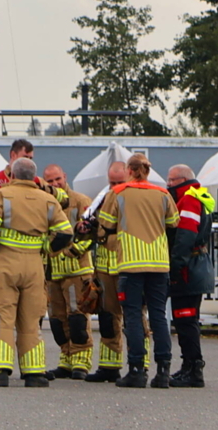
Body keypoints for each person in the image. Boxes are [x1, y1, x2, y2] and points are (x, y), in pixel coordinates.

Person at [0, 157, 73, 388]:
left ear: (10, 175)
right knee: (31, 320)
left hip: (5, 263)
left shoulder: (0, 196)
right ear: (34, 177)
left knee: (2, 317)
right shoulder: (48, 199)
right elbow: (65, 233)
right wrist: (47, 249)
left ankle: (0, 372)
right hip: (34, 266)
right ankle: (34, 373)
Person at [97, 154, 179, 388]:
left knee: (132, 315)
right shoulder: (163, 193)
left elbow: (105, 224)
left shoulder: (118, 192)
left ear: (129, 171)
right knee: (158, 316)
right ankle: (163, 372)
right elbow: (174, 222)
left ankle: (136, 370)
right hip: (159, 262)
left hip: (131, 262)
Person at [42, 164, 94, 380]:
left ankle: (81, 362)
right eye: (50, 182)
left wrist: (74, 251)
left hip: (76, 271)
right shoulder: (44, 203)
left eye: (57, 179)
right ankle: (66, 359)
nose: (55, 184)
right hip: (52, 273)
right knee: (57, 320)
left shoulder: (81, 201)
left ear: (65, 176)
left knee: (77, 318)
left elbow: (92, 231)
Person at [165, 164, 216, 388]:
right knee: (186, 319)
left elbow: (185, 237)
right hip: (196, 266)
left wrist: (175, 269)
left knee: (185, 320)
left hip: (189, 269)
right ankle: (189, 366)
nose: (167, 185)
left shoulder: (187, 200)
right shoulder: (197, 196)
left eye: (171, 180)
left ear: (183, 179)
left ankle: (193, 369)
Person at [82, 161, 128, 383]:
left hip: (128, 266)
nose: (116, 187)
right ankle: (110, 367)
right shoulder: (101, 201)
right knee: (108, 319)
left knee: (136, 320)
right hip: (105, 269)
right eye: (112, 183)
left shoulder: (134, 201)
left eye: (120, 182)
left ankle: (141, 366)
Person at [0, 138, 57, 204]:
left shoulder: (38, 182)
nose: (28, 162)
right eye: (25, 157)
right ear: (13, 155)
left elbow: (62, 199)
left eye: (31, 159)